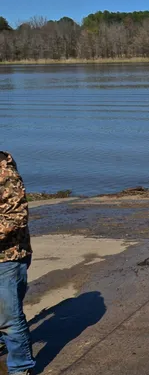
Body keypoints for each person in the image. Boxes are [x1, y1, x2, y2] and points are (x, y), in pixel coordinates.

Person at [0, 152, 35, 375]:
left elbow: (17, 216)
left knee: (9, 319)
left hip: (8, 257)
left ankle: (20, 367)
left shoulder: (4, 171)